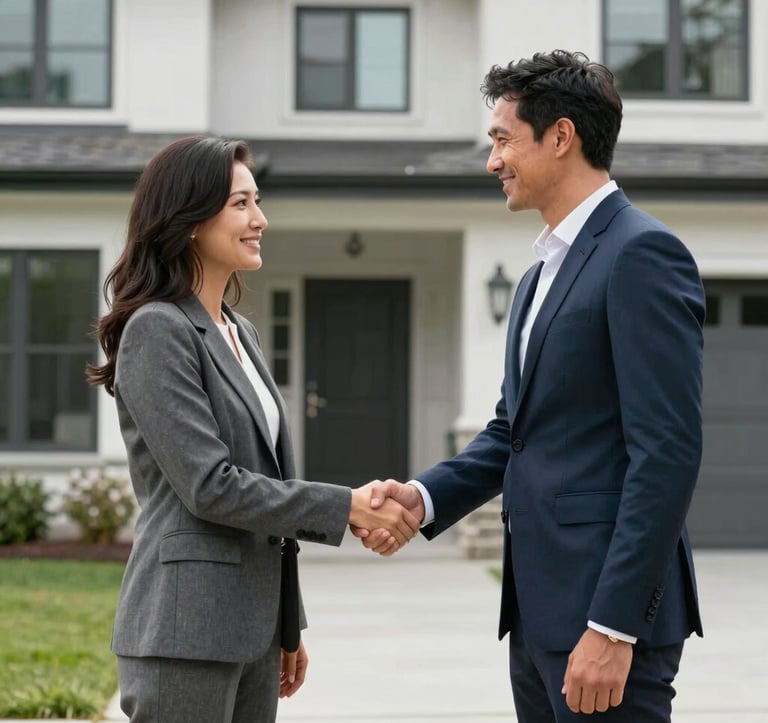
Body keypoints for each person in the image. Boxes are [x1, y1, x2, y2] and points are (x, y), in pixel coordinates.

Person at [355, 50, 705, 722]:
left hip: (604, 626)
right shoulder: (539, 272)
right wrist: (423, 497)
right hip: (539, 615)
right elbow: (511, 433)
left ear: (561, 136)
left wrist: (613, 625)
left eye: (503, 139)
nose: (493, 161)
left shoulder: (641, 255)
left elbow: (667, 452)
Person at [86, 135, 419, 723]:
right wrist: (348, 507)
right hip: (183, 633)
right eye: (241, 204)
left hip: (255, 633)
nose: (260, 219)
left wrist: (287, 623)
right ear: (189, 218)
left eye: (257, 202)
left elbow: (266, 484)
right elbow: (210, 486)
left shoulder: (241, 333)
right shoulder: (157, 330)